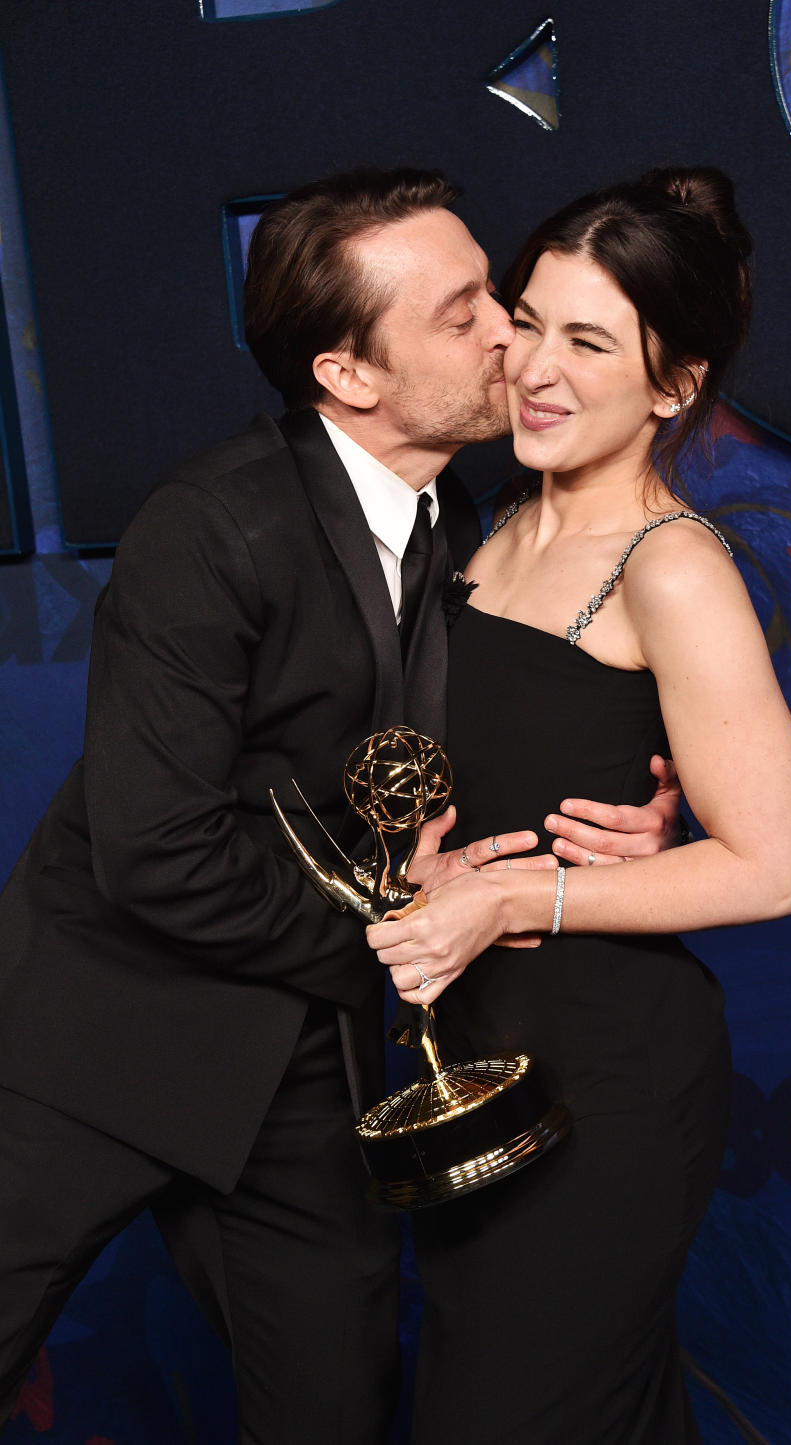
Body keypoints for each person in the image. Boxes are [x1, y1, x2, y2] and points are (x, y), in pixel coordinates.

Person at [0, 168, 678, 1444]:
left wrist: (625, 816)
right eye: (462, 310)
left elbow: (458, 751)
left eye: (498, 293)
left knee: (337, 1412)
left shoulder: (463, 513)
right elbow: (157, 853)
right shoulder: (208, 529)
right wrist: (409, 924)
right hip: (96, 1036)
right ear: (349, 375)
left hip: (303, 1066)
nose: (507, 333)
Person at [367, 167, 791, 1444]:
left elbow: (777, 867)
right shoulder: (484, 521)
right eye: (526, 317)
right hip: (483, 1073)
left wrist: (524, 890)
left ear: (673, 385)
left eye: (589, 340)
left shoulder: (671, 568)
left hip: (611, 1084)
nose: (533, 367)